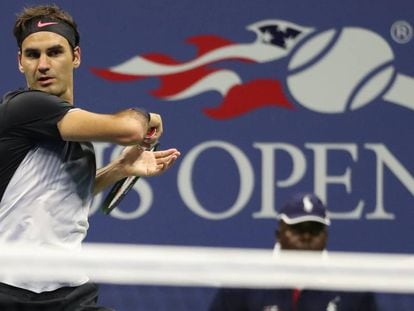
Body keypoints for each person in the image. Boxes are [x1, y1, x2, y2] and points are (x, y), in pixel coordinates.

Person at [0, 4, 180, 310]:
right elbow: (129, 130)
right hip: (11, 291)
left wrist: (119, 169)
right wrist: (147, 116)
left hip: (71, 293)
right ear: (20, 62)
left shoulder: (78, 140)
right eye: (32, 55)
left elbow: (57, 199)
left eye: (55, 52)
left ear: (76, 57)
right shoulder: (23, 108)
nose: (43, 64)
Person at [209, 192, 377, 311]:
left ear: (325, 236)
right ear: (278, 235)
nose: (306, 236)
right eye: (297, 228)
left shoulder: (353, 288)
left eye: (315, 229)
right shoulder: (242, 284)